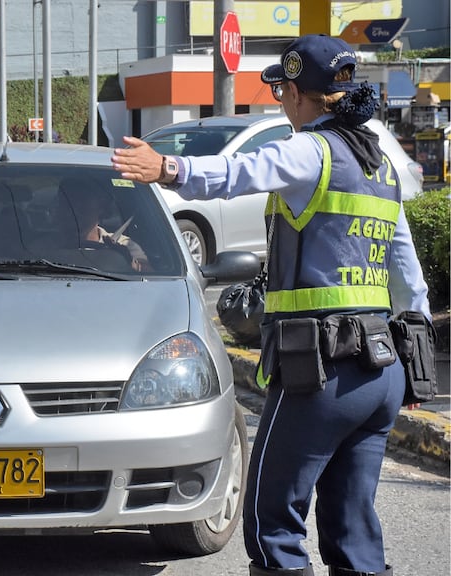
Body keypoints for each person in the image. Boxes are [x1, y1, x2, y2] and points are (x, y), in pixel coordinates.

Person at [111, 34, 431, 576]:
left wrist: (167, 169)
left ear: (302, 94)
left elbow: (239, 174)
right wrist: (413, 372)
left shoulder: (310, 150)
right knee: (353, 528)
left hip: (320, 371)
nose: (280, 101)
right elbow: (410, 280)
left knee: (270, 522)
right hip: (381, 373)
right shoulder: (381, 168)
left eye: (282, 89)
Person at [57, 177, 149, 271]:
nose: (74, 210)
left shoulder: (124, 245)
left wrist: (127, 260)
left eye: (83, 203)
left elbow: (149, 277)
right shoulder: (43, 244)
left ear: (101, 208)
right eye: (68, 203)